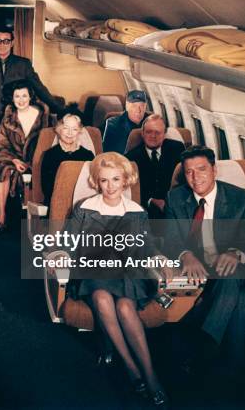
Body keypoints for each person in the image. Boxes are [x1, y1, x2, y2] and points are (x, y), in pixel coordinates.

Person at [68, 152, 169, 405]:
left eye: (116, 179)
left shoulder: (137, 212)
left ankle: (149, 373)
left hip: (127, 274)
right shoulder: (84, 208)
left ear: (126, 181)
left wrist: (160, 259)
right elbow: (67, 243)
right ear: (97, 182)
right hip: (93, 271)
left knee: (125, 306)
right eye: (104, 180)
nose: (110, 186)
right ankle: (133, 370)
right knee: (102, 298)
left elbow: (146, 248)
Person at [164, 146, 245, 376]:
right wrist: (185, 255)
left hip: (240, 268)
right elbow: (169, 240)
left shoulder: (241, 198)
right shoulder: (175, 198)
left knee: (234, 275)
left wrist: (235, 252)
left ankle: (200, 346)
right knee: (239, 297)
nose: (195, 177)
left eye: (202, 169)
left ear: (214, 170)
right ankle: (234, 370)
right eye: (189, 172)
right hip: (203, 270)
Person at [0, 26, 61, 147]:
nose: (2, 44)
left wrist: (60, 110)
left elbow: (39, 88)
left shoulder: (23, 64)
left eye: (6, 41)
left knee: (14, 154)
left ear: (12, 43)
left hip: (16, 120)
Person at [0, 79, 50, 233]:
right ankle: (2, 214)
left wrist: (30, 162)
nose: (21, 100)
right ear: (12, 98)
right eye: (17, 96)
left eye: (24, 96)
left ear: (30, 97)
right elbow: (0, 145)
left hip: (36, 160)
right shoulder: (9, 118)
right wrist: (14, 160)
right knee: (3, 167)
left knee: (2, 169)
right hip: (13, 159)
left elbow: (47, 145)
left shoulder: (43, 116)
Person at [125, 114, 184, 219]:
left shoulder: (177, 149)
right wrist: (151, 200)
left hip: (175, 204)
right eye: (149, 132)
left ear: (164, 134)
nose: (153, 136)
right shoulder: (131, 158)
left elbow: (184, 179)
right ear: (142, 133)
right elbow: (129, 190)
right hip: (145, 209)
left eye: (157, 132)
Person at [40, 112, 95, 205]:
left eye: (74, 129)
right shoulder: (49, 155)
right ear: (59, 129)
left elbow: (92, 186)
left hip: (82, 203)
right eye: (66, 128)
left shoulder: (88, 155)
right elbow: (47, 189)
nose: (70, 133)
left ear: (79, 131)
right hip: (57, 203)